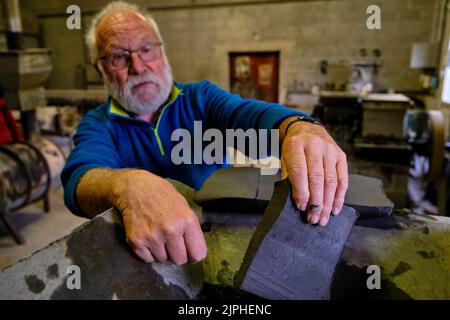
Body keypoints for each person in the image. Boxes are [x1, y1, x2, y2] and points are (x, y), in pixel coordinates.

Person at [61, 1, 348, 266]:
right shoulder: (98, 124)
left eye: (147, 49)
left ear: (162, 51)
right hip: (150, 254)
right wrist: (124, 186)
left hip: (223, 236)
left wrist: (298, 126)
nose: (138, 67)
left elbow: (247, 115)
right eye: (118, 57)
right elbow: (78, 182)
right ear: (99, 67)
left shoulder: (200, 98)